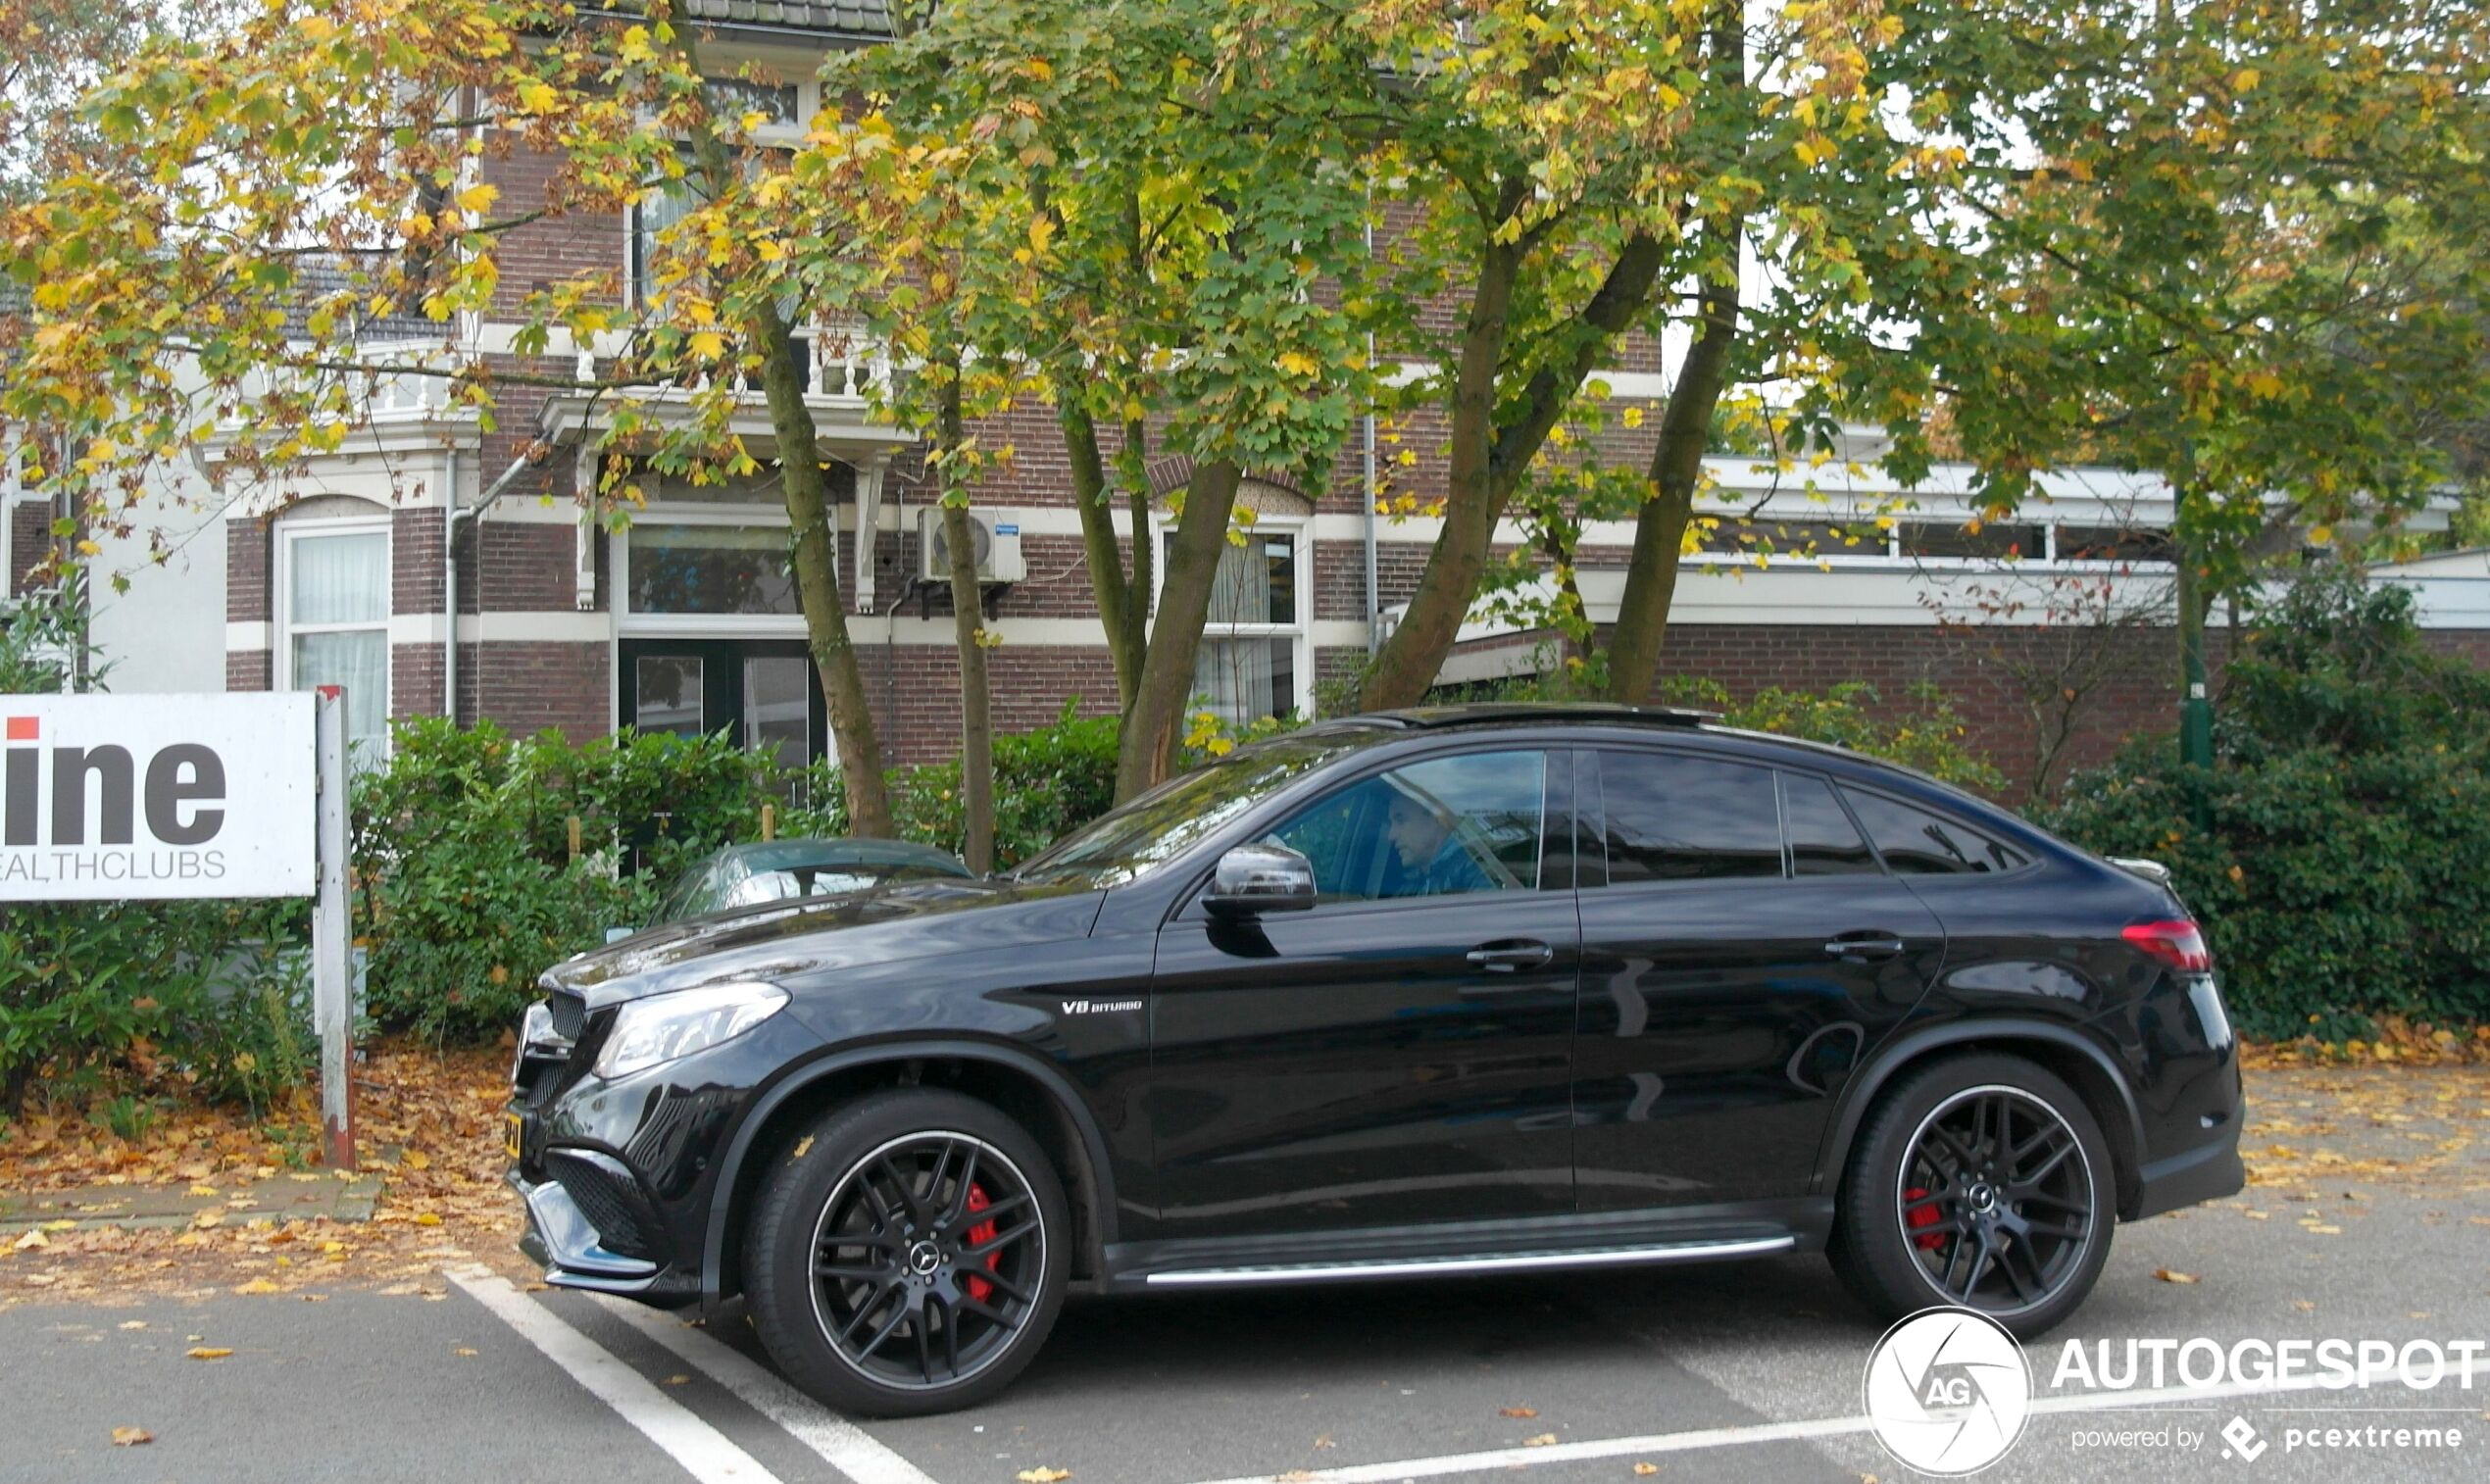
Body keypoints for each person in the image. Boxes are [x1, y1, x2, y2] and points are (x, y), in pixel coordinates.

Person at [1381, 783, 1493, 898]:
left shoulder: (1477, 870)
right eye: (1391, 824)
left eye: (1400, 820)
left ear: (1436, 816)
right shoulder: (1414, 883)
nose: (1391, 836)